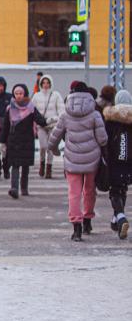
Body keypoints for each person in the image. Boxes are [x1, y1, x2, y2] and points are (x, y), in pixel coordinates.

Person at [48, 81, 108, 242]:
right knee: (89, 191)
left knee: (73, 193)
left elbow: (54, 137)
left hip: (72, 160)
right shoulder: (95, 114)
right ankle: (87, 219)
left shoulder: (65, 114)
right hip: (92, 160)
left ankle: (76, 228)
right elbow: (103, 139)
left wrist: (54, 150)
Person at [0, 84, 48, 199]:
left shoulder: (31, 108)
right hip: (14, 141)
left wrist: (48, 121)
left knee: (25, 166)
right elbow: (5, 126)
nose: (18, 96)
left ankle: (24, 188)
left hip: (26, 140)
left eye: (20, 93)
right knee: (15, 166)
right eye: (16, 93)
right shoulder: (9, 108)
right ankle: (14, 188)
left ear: (25, 94)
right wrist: (2, 141)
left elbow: (40, 120)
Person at [102, 89, 132, 240]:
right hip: (130, 163)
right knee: (123, 188)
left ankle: (120, 217)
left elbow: (104, 140)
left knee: (115, 191)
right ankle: (116, 220)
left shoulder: (110, 118)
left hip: (115, 162)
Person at [31, 74, 64, 178]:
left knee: (50, 147)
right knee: (43, 146)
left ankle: (49, 168)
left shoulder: (56, 95)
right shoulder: (36, 96)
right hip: (41, 125)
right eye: (44, 83)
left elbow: (61, 111)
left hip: (53, 125)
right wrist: (35, 122)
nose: (46, 85)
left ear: (51, 83)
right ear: (41, 84)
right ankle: (42, 163)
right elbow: (32, 110)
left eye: (47, 82)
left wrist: (54, 119)